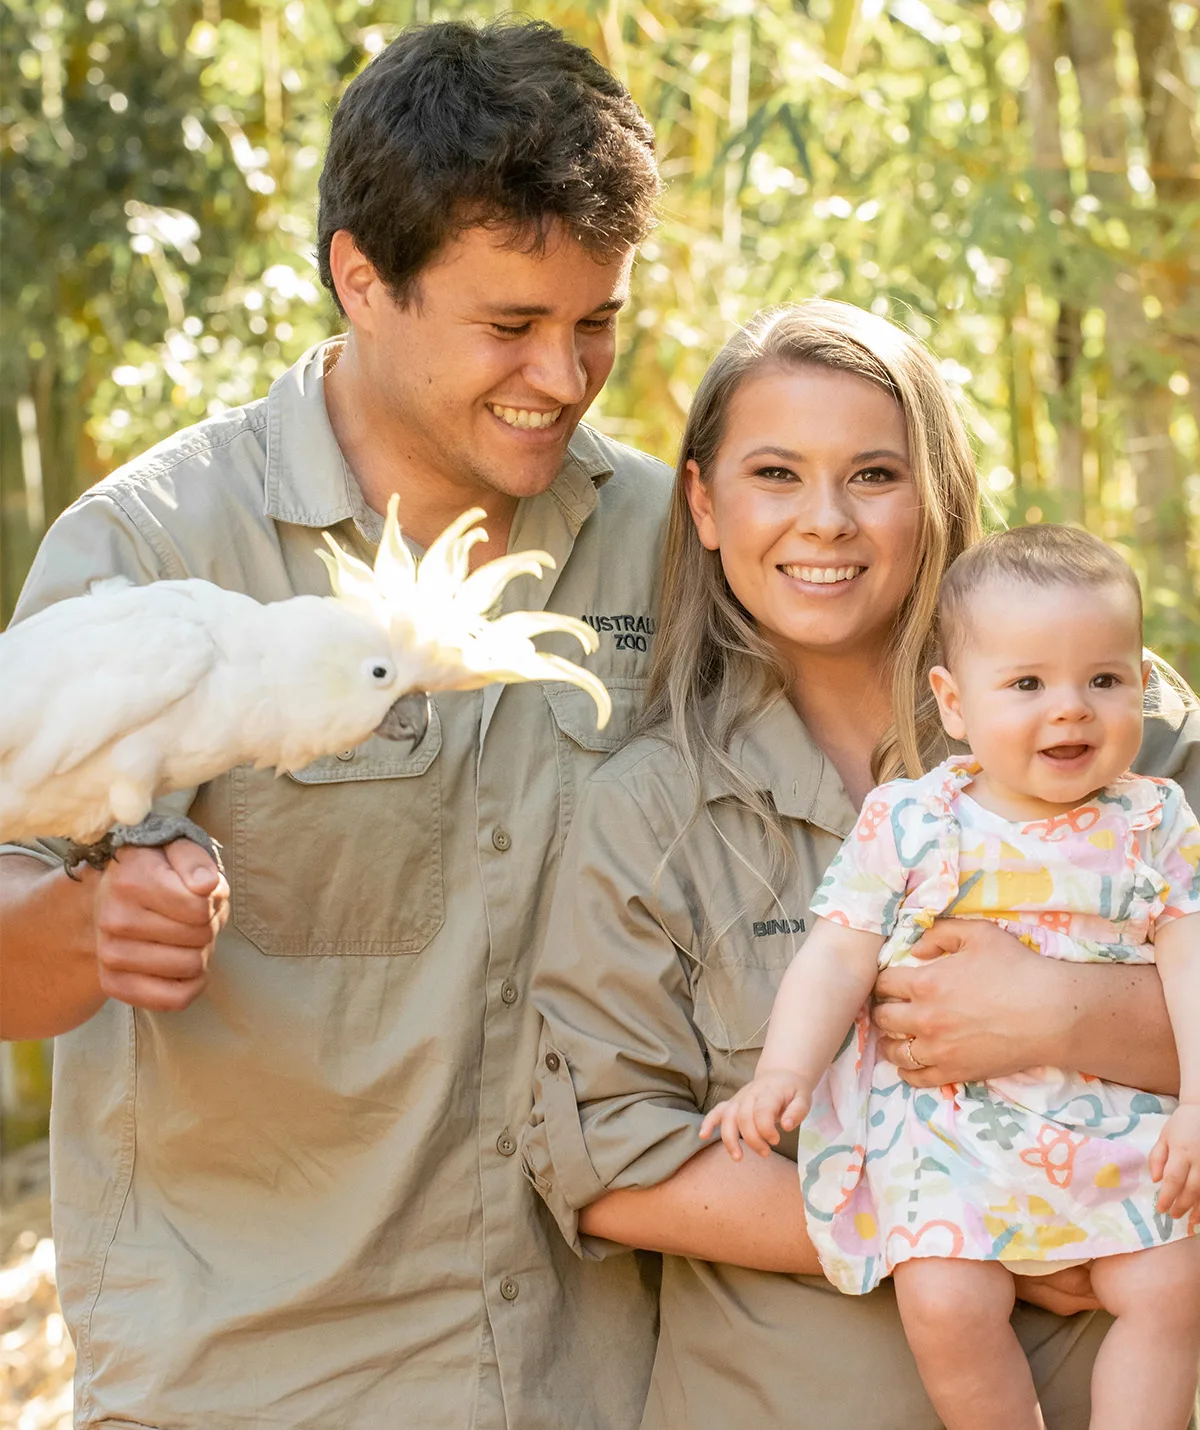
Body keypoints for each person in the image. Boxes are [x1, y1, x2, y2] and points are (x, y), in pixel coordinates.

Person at [0, 20, 671, 1428]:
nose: (562, 376)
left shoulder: (680, 541)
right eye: (510, 326)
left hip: (601, 1370)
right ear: (360, 277)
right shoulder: (150, 550)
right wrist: (80, 929)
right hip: (261, 1377)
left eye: (595, 322)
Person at [523, 300, 1200, 1429]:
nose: (825, 520)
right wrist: (965, 1219)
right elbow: (604, 1154)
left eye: (875, 474)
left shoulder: (1131, 731)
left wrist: (1064, 1010)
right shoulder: (647, 804)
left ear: (937, 491)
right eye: (777, 474)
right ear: (703, 502)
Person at [701, 524, 1200, 1429]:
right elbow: (839, 949)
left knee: (1173, 1284)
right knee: (943, 1299)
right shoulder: (914, 818)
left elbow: (1191, 956)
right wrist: (784, 1072)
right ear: (954, 702)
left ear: (1140, 682)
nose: (1071, 709)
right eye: (1027, 684)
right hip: (949, 1138)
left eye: (1104, 679)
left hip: (1112, 1128)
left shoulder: (1153, 820)